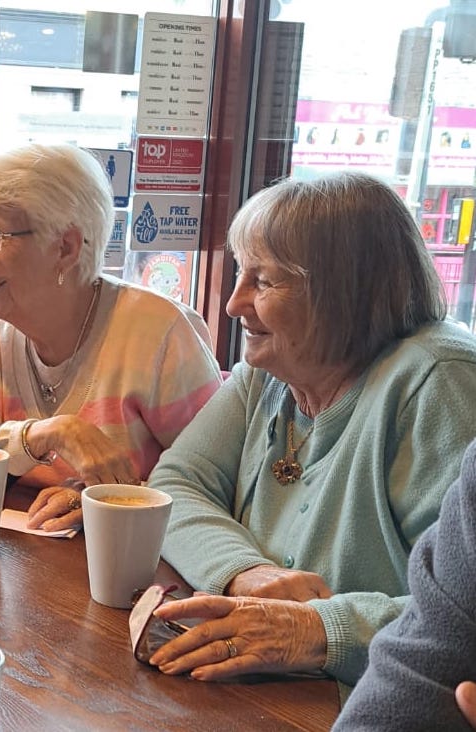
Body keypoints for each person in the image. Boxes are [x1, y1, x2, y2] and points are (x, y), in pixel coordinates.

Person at [145, 171, 476, 688]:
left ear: (345, 291)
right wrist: (245, 572)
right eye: (239, 273)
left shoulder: (440, 383)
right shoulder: (269, 371)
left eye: (263, 281)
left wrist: (316, 629)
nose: (233, 304)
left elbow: (464, 615)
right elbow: (174, 484)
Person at [0, 141, 221, 531]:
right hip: (24, 561)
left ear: (65, 247)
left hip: (134, 571)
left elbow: (215, 481)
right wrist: (48, 434)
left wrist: (111, 500)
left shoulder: (158, 334)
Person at [331, 439, 476, 730]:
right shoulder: (253, 398)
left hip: (327, 690)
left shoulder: (434, 398)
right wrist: (245, 569)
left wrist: (326, 625)